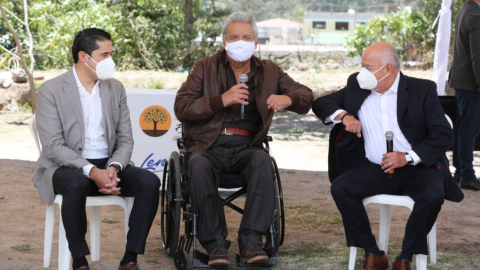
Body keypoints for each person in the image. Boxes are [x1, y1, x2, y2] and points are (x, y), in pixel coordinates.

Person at [174, 11, 313, 267]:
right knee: (198, 166)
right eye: (234, 36)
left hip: (246, 146)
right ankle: (216, 245)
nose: (240, 42)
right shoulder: (204, 67)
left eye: (246, 37)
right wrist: (221, 100)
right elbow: (182, 107)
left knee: (263, 162)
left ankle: (251, 242)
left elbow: (305, 95)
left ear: (256, 43)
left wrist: (288, 99)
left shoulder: (270, 71)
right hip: (207, 145)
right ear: (224, 42)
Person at [312, 42, 464, 270]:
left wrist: (408, 157)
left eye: (367, 66)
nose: (362, 71)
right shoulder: (357, 85)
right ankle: (373, 252)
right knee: (341, 188)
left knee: (432, 195)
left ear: (387, 69)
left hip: (417, 168)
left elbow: (444, 135)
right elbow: (322, 102)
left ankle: (406, 255)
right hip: (375, 168)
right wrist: (344, 116)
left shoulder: (422, 90)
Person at [33, 28, 160, 270]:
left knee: (149, 182)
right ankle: (79, 261)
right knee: (76, 183)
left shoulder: (115, 88)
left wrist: (113, 167)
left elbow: (125, 139)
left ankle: (130, 258)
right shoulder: (51, 90)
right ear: (84, 56)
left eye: (111, 54)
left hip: (109, 164)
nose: (110, 61)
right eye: (104, 55)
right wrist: (91, 170)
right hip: (65, 166)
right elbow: (52, 145)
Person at [449, 0, 480, 190]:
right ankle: (467, 174)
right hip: (472, 82)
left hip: (463, 80)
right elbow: (478, 56)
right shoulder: (475, 14)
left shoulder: (465, 10)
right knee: (469, 128)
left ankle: (461, 171)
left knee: (463, 126)